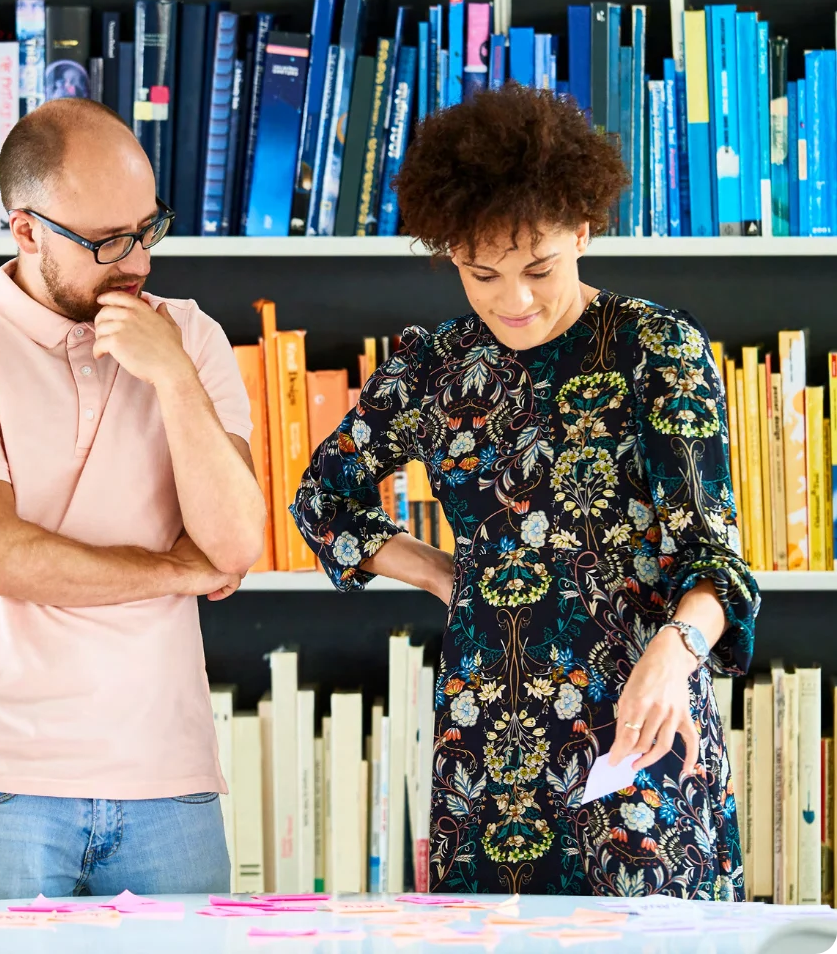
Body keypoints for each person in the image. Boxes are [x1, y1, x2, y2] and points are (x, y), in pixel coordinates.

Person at [291, 83, 759, 899]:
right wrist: (445, 576)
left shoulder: (655, 348)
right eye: (482, 273)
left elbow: (715, 559)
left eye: (539, 268)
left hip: (639, 728)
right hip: (487, 748)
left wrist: (675, 652)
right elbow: (322, 501)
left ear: (583, 228)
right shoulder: (434, 367)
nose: (515, 300)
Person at [0, 98, 266, 902]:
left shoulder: (190, 338)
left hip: (170, 781)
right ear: (26, 230)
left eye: (147, 229)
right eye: (105, 241)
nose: (136, 261)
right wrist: (177, 572)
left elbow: (236, 546)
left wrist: (169, 374)